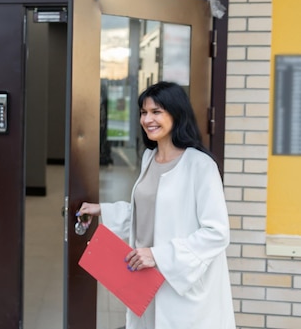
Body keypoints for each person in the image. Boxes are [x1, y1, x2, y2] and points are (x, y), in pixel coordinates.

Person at [77, 81, 235, 329]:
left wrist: (158, 255)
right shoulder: (149, 158)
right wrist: (103, 210)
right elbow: (150, 213)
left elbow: (217, 233)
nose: (147, 119)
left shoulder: (200, 165)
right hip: (145, 279)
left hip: (182, 286)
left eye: (156, 112)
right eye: (143, 112)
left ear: (176, 113)